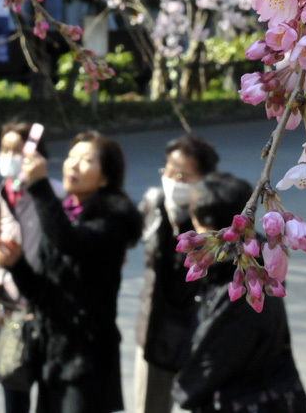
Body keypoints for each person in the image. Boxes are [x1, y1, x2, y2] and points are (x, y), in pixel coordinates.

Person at [0, 129, 142, 413]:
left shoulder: (112, 221)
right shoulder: (64, 214)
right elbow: (41, 293)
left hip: (89, 360)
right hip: (53, 356)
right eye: (71, 157)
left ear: (104, 178)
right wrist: (17, 264)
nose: (73, 165)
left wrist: (39, 185)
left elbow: (68, 242)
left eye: (86, 160)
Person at [173, 172, 306, 413]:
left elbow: (215, 361)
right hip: (279, 392)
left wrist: (184, 391)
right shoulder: (264, 262)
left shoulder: (241, 283)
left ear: (203, 223)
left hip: (248, 402)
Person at [0, 121, 63, 413]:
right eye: (4, 150)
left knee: (51, 400)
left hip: (50, 316)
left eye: (17, 151)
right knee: (14, 398)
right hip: (10, 316)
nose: (9, 157)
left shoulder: (58, 195)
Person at [134, 134, 219, 413]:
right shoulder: (153, 204)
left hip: (196, 332)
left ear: (204, 179)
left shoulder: (212, 217)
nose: (174, 181)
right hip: (153, 329)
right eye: (169, 172)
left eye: (184, 176)